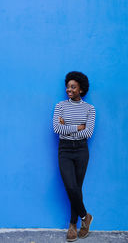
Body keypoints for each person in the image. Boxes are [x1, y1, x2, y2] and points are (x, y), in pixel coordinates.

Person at [53, 71, 96, 242]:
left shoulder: (90, 109)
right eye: (68, 86)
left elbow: (89, 132)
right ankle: (86, 217)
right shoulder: (60, 106)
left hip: (81, 150)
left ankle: (72, 225)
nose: (69, 89)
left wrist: (68, 127)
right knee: (71, 187)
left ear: (81, 90)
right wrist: (78, 127)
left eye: (73, 87)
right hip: (64, 150)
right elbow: (57, 128)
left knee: (77, 188)